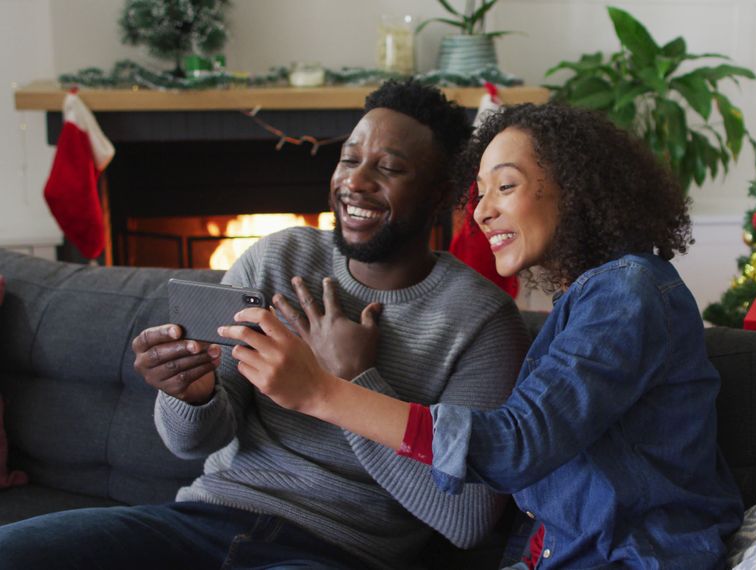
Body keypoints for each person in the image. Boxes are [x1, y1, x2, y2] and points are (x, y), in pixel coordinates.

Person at [0, 80, 530, 570]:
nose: (355, 181)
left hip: (336, 551)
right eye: (348, 159)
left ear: (441, 194)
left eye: (389, 168)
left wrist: (354, 382)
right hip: (200, 522)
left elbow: (466, 520)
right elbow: (192, 442)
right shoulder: (278, 258)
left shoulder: (479, 320)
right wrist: (191, 393)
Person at [218, 103, 745, 569]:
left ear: (576, 188)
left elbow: (513, 444)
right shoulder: (583, 305)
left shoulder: (629, 293)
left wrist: (324, 392)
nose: (481, 210)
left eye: (506, 186)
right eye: (479, 192)